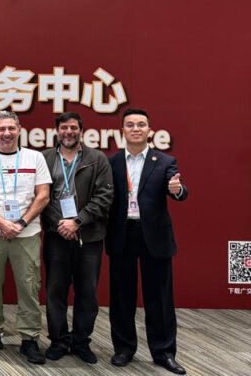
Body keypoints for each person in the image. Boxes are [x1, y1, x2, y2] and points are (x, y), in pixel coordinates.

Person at [107, 108, 189, 375]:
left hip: (154, 235)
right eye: (130, 124)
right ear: (122, 130)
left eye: (141, 124)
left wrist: (177, 190)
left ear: (149, 130)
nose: (136, 129)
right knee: (122, 296)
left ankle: (164, 353)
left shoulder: (164, 161)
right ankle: (124, 348)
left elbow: (179, 190)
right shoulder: (112, 162)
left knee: (160, 298)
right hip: (122, 233)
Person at [0, 110, 51, 364]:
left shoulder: (35, 157)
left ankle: (29, 338)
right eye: (1, 129)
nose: (6, 133)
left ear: (19, 129)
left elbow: (43, 195)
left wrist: (20, 223)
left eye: (11, 128)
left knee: (29, 286)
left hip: (27, 232)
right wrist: (2, 222)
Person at [40, 111, 112, 364]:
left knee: (87, 292)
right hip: (56, 235)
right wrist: (60, 223)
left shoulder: (97, 159)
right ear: (57, 131)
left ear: (81, 130)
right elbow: (40, 196)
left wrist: (78, 221)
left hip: (89, 236)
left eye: (73, 128)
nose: (68, 132)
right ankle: (59, 341)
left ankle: (81, 341)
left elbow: (104, 196)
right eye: (64, 128)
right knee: (55, 290)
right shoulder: (45, 158)